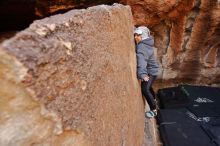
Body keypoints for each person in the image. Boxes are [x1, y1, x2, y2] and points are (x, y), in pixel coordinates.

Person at [134, 26, 159, 118]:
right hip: (153, 70)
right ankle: (154, 99)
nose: (135, 37)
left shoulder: (142, 47)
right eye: (135, 34)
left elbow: (142, 61)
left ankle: (154, 109)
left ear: (144, 36)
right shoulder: (147, 43)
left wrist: (142, 74)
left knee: (145, 88)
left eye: (138, 35)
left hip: (151, 72)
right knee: (149, 85)